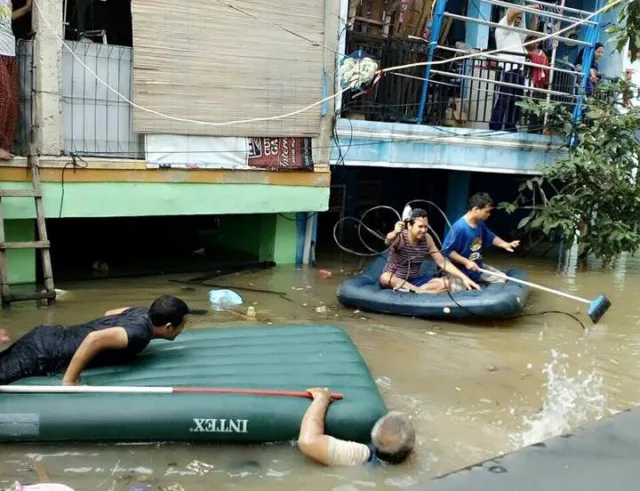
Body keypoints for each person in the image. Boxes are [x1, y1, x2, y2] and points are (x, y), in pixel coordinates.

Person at [0, 295, 190, 386]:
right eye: (182, 325)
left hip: (49, 336)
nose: (182, 329)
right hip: (44, 353)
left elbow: (109, 314)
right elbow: (94, 338)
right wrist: (69, 382)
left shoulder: (142, 312)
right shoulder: (138, 334)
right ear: (168, 327)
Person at [298, 387, 415, 466]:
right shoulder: (413, 465)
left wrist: (321, 398)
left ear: (373, 434)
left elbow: (308, 442)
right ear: (411, 451)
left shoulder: (362, 456)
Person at [380, 208, 481, 294]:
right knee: (385, 278)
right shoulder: (401, 237)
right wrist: (394, 232)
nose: (424, 230)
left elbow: (442, 262)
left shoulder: (427, 238)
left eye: (426, 227)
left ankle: (415, 291)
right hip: (396, 279)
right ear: (409, 226)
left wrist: (464, 278)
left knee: (445, 283)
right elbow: (388, 240)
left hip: (415, 280)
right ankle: (420, 292)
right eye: (420, 227)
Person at [442, 192, 520, 285]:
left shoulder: (480, 224)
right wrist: (466, 262)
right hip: (459, 268)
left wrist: (505, 244)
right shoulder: (459, 228)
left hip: (476, 267)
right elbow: (447, 251)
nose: (489, 214)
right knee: (457, 289)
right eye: (486, 211)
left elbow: (491, 236)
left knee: (502, 279)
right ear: (476, 209)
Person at [489, 6, 539, 131]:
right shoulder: (503, 26)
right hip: (507, 69)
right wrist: (529, 7)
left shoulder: (517, 32)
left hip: (518, 70)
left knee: (516, 101)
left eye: (520, 18)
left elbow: (532, 31)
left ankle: (511, 126)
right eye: (518, 17)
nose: (518, 20)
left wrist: (534, 13)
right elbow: (512, 12)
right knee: (503, 99)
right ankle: (495, 126)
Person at [0, 0, 32, 160]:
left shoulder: (8, 2)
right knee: (4, 95)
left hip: (9, 51)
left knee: (12, 99)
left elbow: (7, 19)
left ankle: (4, 146)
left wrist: (26, 8)